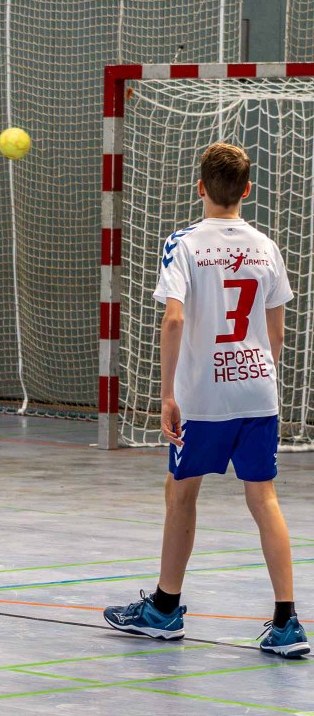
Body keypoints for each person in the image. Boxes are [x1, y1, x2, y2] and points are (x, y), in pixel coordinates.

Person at [104, 142, 308, 659]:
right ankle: (288, 623)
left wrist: (167, 393)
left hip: (205, 396)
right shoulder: (266, 246)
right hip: (258, 388)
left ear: (201, 188)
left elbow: (173, 318)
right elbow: (278, 334)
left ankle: (164, 609)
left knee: (181, 492)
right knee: (263, 498)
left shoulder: (185, 243)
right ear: (247, 189)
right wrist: (255, 373)